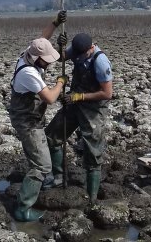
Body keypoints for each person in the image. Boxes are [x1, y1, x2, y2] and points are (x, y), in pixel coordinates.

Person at [9, 10, 68, 222]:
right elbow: (50, 98)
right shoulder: (29, 73)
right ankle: (23, 208)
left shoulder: (29, 53)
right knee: (42, 165)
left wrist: (55, 22)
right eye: (46, 60)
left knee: (38, 160)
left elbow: (43, 39)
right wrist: (61, 82)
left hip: (29, 118)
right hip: (27, 123)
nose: (49, 63)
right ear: (37, 60)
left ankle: (41, 181)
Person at [44, 32, 113, 205]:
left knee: (92, 153)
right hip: (74, 103)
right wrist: (59, 46)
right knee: (52, 136)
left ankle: (92, 198)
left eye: (83, 54)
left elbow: (107, 93)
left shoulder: (100, 61)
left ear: (91, 47)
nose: (79, 57)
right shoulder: (76, 49)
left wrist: (79, 97)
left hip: (93, 109)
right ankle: (58, 177)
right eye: (77, 54)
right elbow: (61, 58)